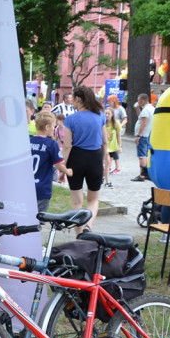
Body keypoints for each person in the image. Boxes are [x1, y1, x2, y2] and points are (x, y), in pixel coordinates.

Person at [61, 86, 107, 233]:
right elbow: (105, 142)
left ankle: (79, 235)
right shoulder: (100, 115)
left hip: (76, 158)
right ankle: (88, 226)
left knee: (76, 201)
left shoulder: (71, 119)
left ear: (78, 99)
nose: (72, 102)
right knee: (93, 199)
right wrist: (104, 161)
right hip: (95, 157)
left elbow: (67, 146)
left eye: (73, 99)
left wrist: (63, 167)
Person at [31, 112, 71, 213]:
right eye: (54, 126)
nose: (54, 129)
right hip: (42, 188)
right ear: (47, 127)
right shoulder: (51, 144)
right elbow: (58, 165)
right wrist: (67, 171)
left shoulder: (28, 141)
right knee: (38, 219)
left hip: (27, 186)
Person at [133, 93, 154, 182]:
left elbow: (143, 123)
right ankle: (145, 173)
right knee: (145, 154)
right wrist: (137, 108)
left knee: (142, 155)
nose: (138, 102)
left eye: (138, 100)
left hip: (143, 135)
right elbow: (140, 118)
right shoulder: (151, 108)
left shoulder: (146, 110)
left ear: (142, 100)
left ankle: (142, 174)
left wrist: (139, 135)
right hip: (148, 134)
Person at [104, 107, 122, 177]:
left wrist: (120, 145)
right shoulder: (103, 123)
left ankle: (117, 168)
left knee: (115, 156)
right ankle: (108, 167)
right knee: (107, 156)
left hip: (113, 144)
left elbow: (119, 135)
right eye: (106, 113)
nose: (107, 115)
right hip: (106, 144)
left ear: (112, 115)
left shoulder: (116, 123)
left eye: (109, 113)